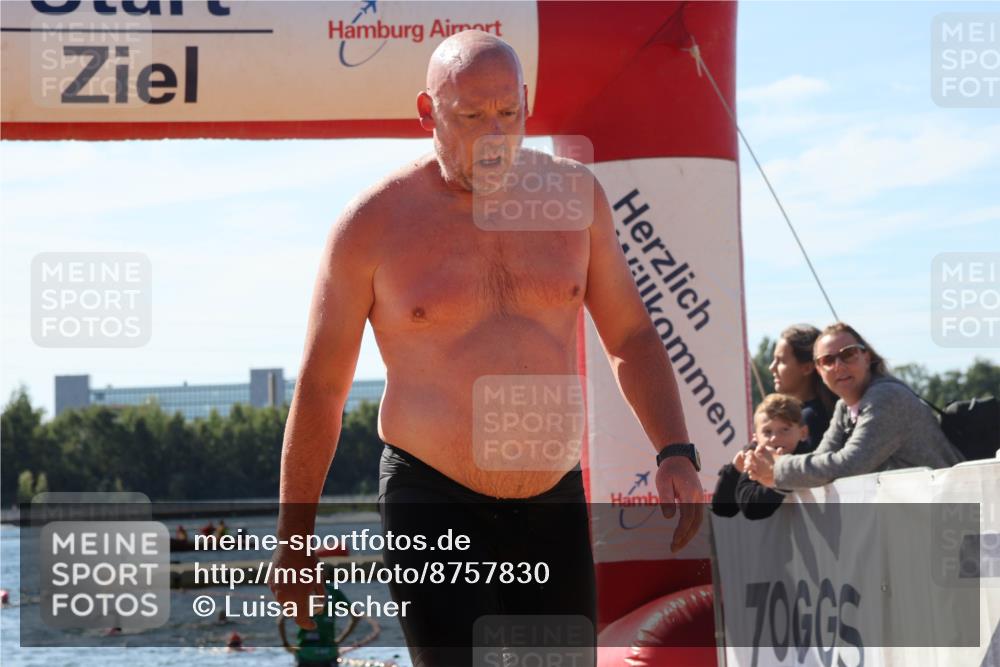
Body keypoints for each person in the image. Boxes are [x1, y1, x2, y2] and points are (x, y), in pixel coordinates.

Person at [270, 30, 703, 667]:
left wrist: (674, 448)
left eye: (509, 113)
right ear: (428, 113)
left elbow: (631, 334)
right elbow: (323, 386)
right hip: (432, 500)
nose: (495, 134)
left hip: (551, 500)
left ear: (527, 100)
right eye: (471, 116)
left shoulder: (576, 200)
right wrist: (295, 539)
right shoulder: (372, 225)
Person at [747, 322, 964, 489]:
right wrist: (767, 470)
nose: (839, 366)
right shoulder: (844, 407)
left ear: (866, 357)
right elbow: (822, 459)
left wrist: (778, 466)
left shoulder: (886, 397)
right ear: (819, 370)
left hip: (953, 527)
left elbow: (851, 464)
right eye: (827, 361)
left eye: (848, 354)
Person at [711, 394, 810, 519]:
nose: (774, 438)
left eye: (785, 429)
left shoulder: (808, 461)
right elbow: (725, 509)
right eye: (767, 432)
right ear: (755, 438)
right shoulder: (754, 460)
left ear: (803, 433)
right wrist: (734, 471)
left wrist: (782, 472)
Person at [769, 324, 835, 449]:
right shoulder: (819, 411)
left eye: (781, 361)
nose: (772, 367)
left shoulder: (811, 419)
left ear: (807, 368)